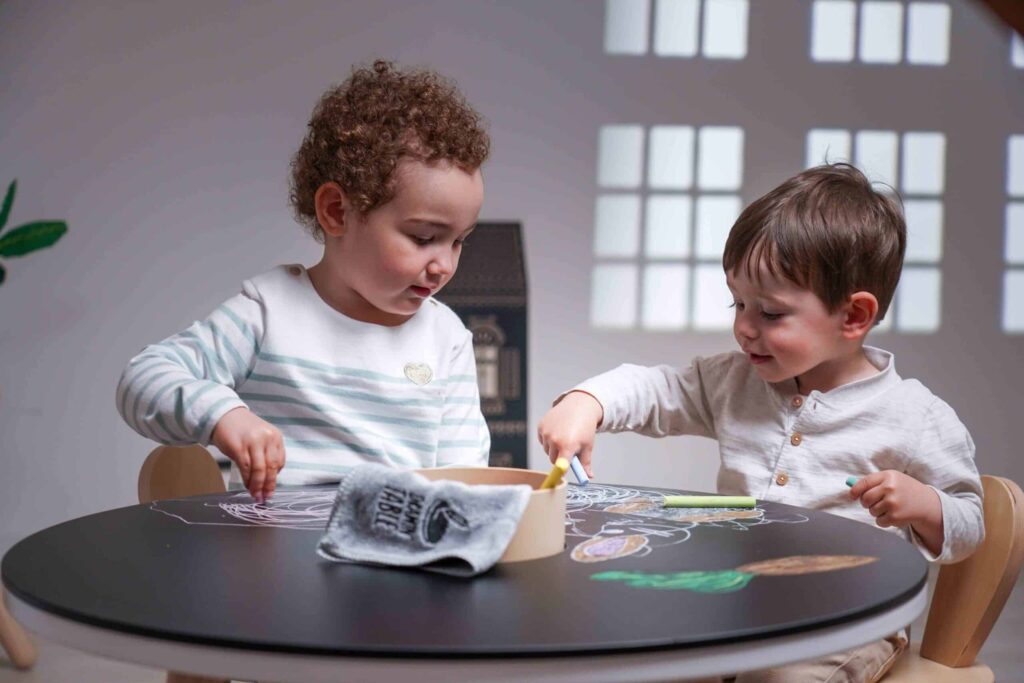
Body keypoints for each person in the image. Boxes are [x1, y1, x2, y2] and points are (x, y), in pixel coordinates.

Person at [537, 163, 984, 682]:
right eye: (738, 302)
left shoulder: (915, 417)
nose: (744, 328)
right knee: (637, 660)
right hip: (734, 607)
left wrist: (926, 506)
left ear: (854, 317)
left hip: (843, 623)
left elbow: (973, 521)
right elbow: (655, 389)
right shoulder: (735, 381)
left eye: (770, 313)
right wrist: (586, 401)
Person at [117, 60, 491, 503]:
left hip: (397, 554)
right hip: (276, 560)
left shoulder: (444, 338)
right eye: (424, 238)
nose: (444, 265)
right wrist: (223, 416)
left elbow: (464, 478)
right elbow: (142, 379)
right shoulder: (270, 313)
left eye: (458, 242)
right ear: (337, 211)